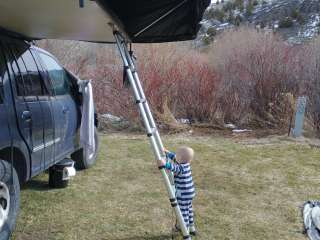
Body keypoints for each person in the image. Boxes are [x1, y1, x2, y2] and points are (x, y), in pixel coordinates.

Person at [158, 146, 197, 236]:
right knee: (189, 209)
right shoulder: (186, 164)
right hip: (189, 193)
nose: (175, 156)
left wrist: (164, 164)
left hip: (183, 194)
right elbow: (175, 158)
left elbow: (173, 168)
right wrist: (167, 152)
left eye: (177, 155)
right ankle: (192, 227)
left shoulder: (180, 168)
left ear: (179, 159)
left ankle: (185, 229)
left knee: (183, 212)